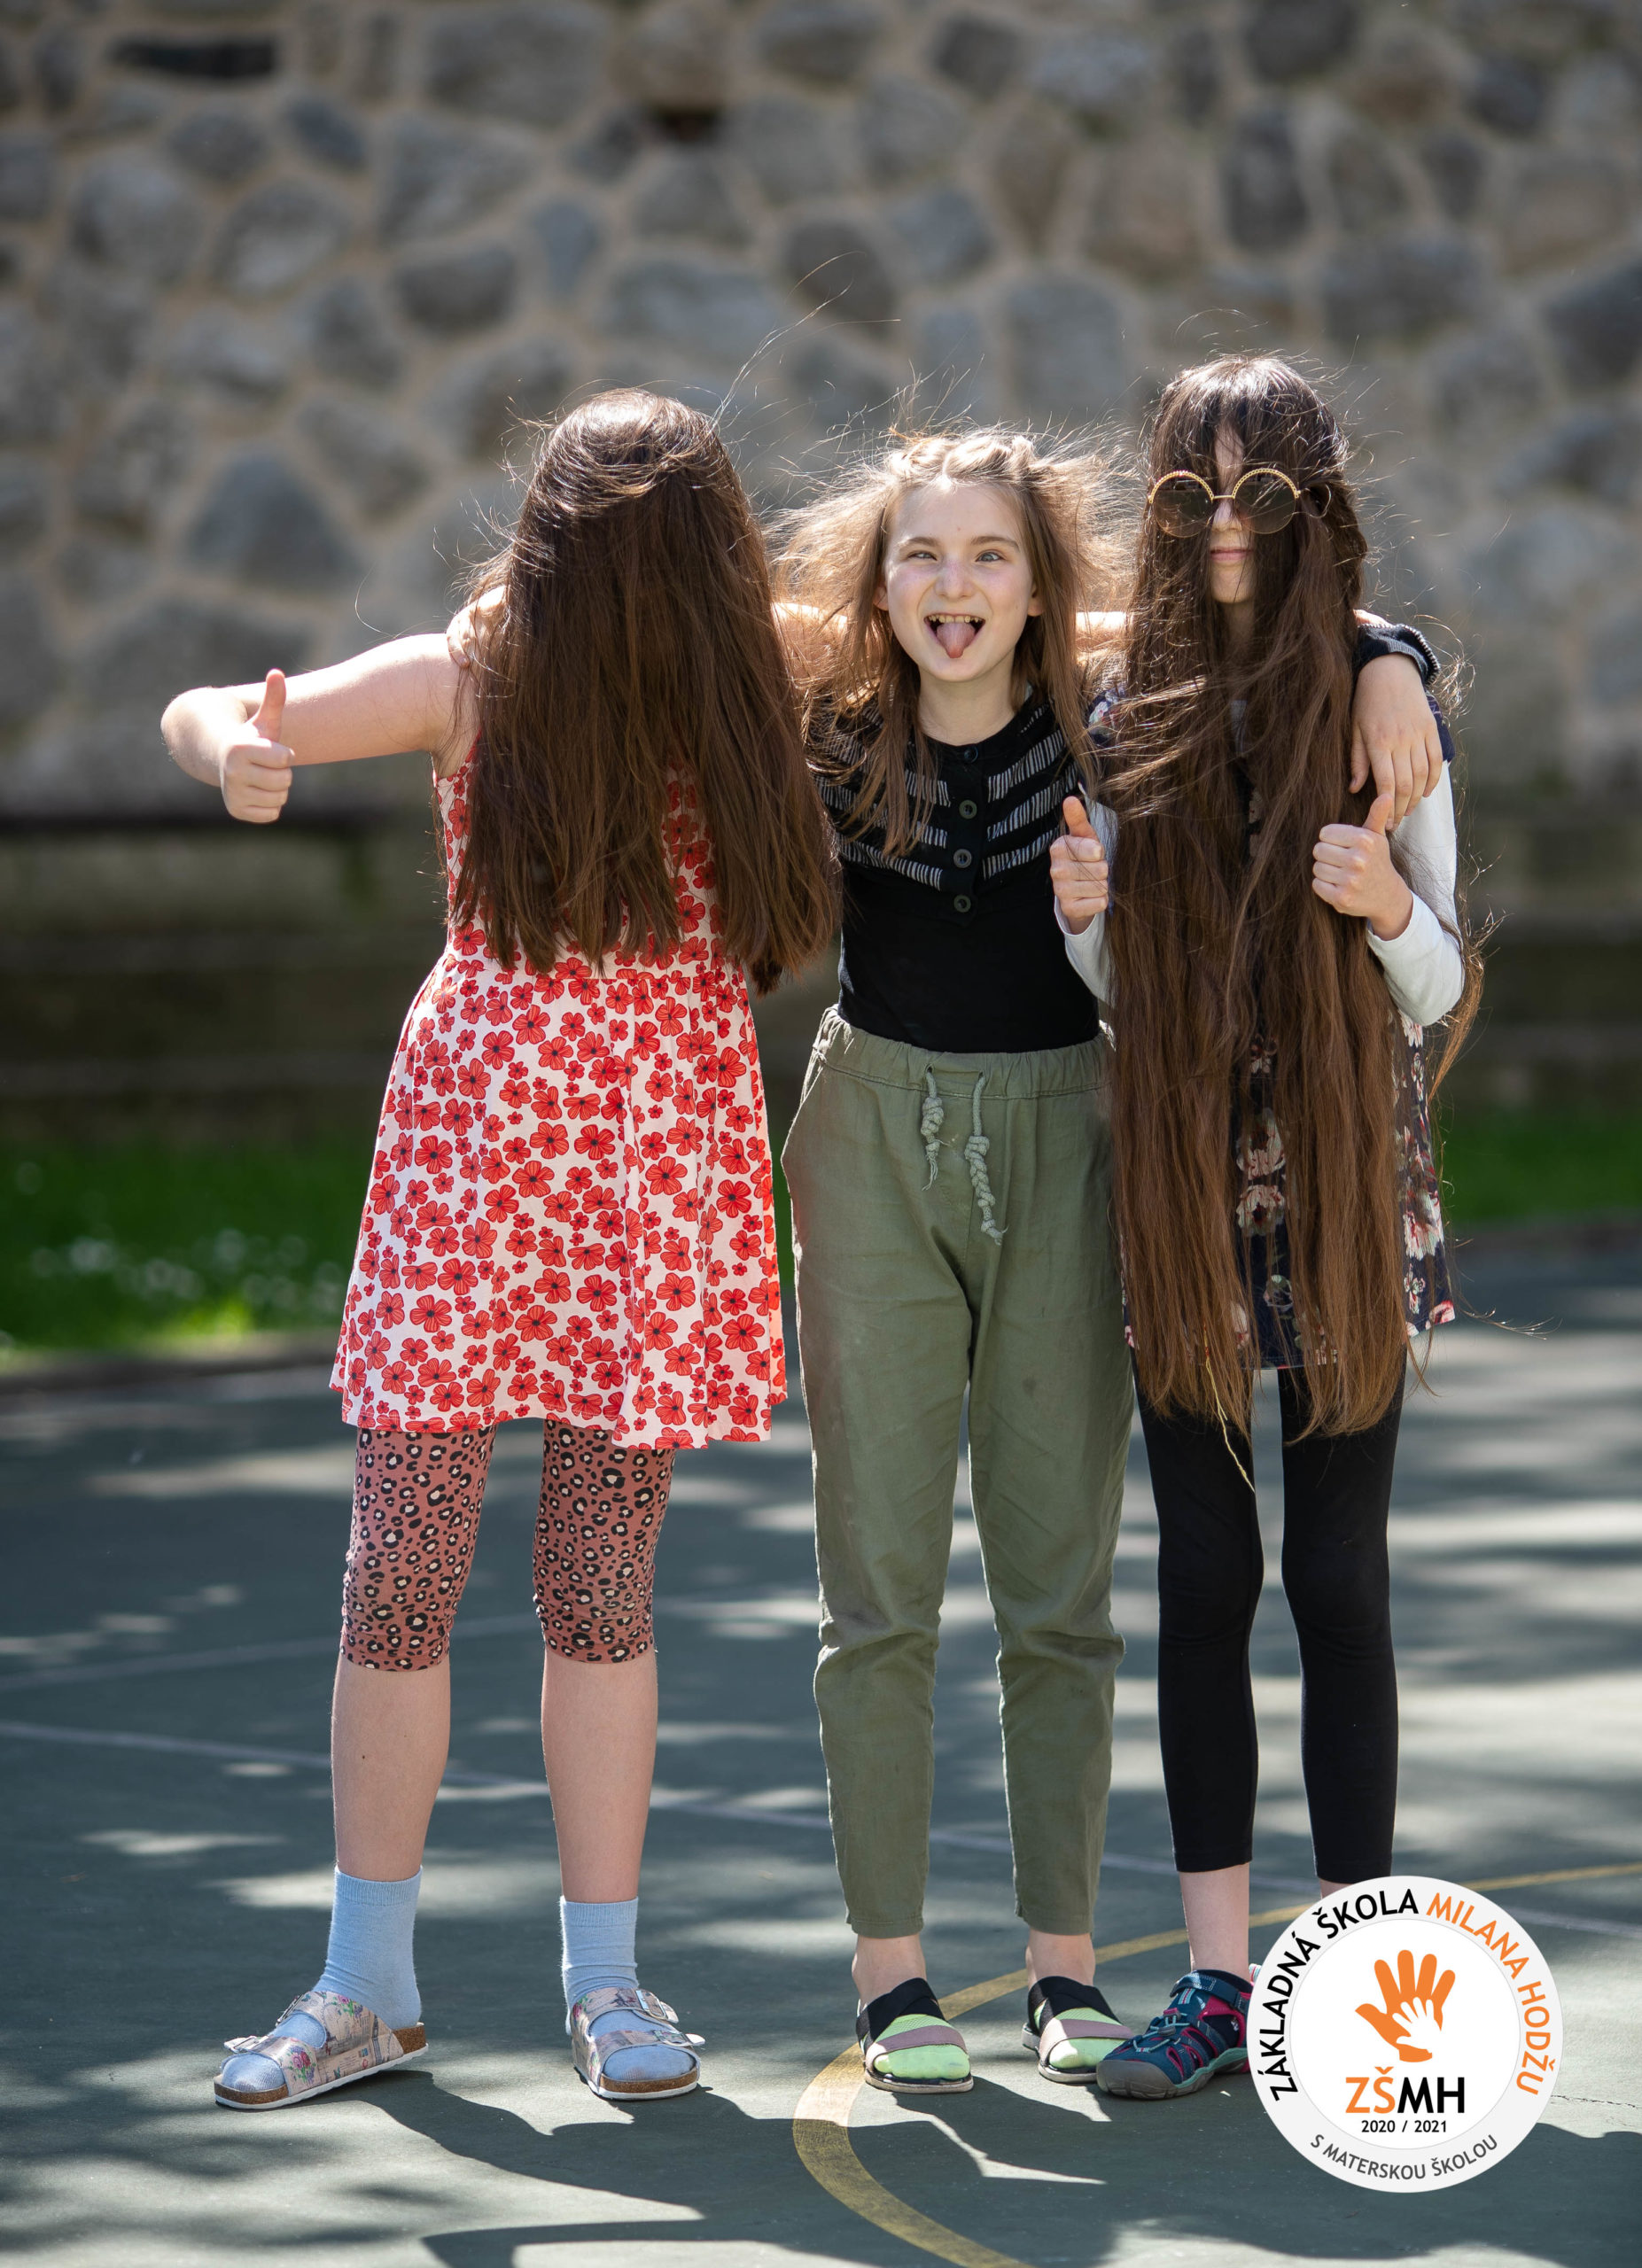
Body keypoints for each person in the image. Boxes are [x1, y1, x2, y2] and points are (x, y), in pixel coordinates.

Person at [160, 390, 836, 2111]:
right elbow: (221, 705)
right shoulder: (475, 674)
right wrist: (229, 751)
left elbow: (1027, 629)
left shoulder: (758, 665)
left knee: (598, 1589)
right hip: (471, 1166)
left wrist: (1370, 662)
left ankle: (605, 1983)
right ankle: (364, 1983)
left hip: (649, 1178)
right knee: (400, 1563)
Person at [774, 425, 1445, 2094]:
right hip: (889, 1132)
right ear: (876, 579)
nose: (954, 587)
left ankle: (1063, 1972)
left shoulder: (1104, 712)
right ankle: (893, 1978)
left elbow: (1261, 609)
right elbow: (681, 629)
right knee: (883, 1585)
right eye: (921, 556)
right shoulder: (831, 724)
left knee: (1068, 1589)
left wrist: (1392, 654)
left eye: (991, 557)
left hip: (1079, 1132)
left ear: (1041, 584)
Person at [1049, 355, 1479, 2101]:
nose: (1225, 525)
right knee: (1207, 1577)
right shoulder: (1122, 709)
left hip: (1351, 1189)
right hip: (1178, 1188)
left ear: (1317, 509)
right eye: (1190, 494)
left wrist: (1383, 909)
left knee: (1337, 1576)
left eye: (1263, 494)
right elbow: (1111, 997)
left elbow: (1440, 983)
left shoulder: (1385, 708)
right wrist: (1087, 921)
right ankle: (1219, 1985)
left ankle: (1361, 1979)